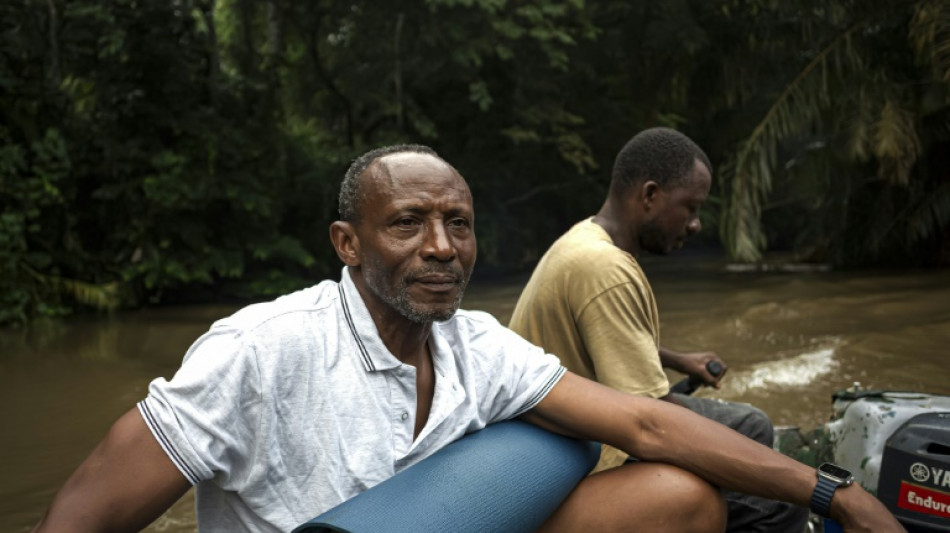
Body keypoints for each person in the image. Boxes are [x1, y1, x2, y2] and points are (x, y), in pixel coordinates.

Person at [33, 144, 902, 533]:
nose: (442, 247)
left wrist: (836, 495)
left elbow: (647, 424)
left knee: (680, 497)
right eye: (409, 223)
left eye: (459, 222)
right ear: (349, 244)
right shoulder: (261, 349)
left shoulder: (472, 343)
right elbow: (79, 517)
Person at [508, 127, 810, 532]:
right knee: (768, 475)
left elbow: (598, 333)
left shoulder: (583, 240)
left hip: (561, 432)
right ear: (650, 195)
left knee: (749, 426)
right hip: (584, 452)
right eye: (690, 208)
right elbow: (654, 418)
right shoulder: (606, 269)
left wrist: (675, 358)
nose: (696, 224)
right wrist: (794, 482)